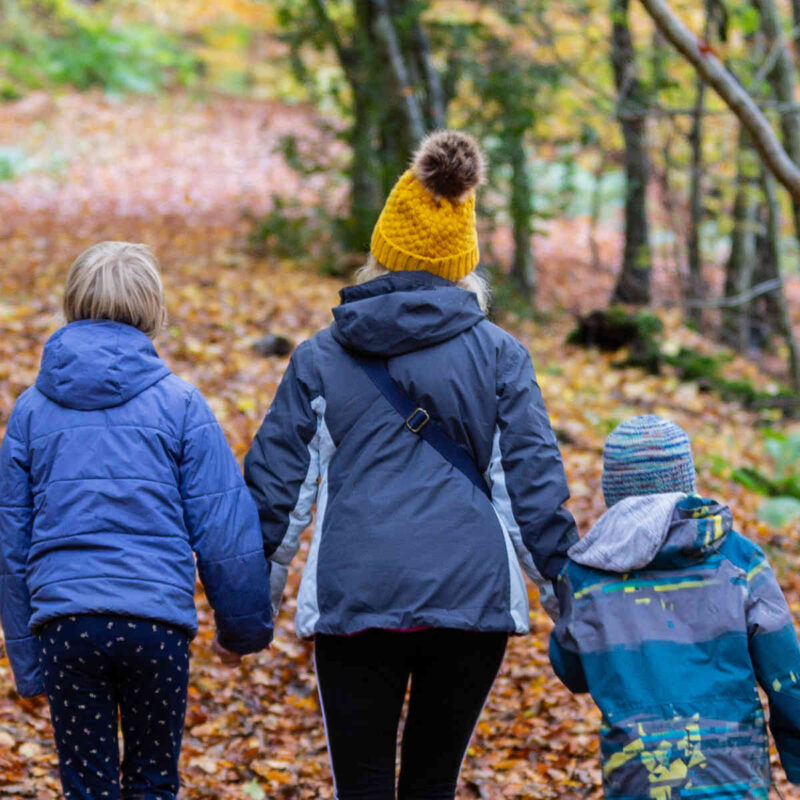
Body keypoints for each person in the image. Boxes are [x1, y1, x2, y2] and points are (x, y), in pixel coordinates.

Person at [245, 130, 577, 800]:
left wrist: (252, 601)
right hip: (471, 598)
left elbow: (278, 491)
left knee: (361, 786)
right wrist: (570, 599)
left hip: (356, 594)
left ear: (381, 251)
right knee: (433, 783)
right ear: (465, 260)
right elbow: (532, 487)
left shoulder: (320, 357)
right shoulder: (500, 356)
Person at [0, 242, 272, 800]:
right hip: (155, 627)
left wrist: (26, 655)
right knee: (152, 780)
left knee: (87, 785)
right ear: (153, 309)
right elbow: (224, 528)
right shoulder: (181, 404)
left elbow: (11, 541)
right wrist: (242, 629)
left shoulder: (30, 410)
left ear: (72, 302)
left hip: (66, 626)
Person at [550, 414, 800, 799]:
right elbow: (786, 674)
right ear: (686, 480)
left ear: (612, 488)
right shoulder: (738, 558)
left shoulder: (587, 574)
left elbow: (574, 672)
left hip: (639, 777)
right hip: (731, 776)